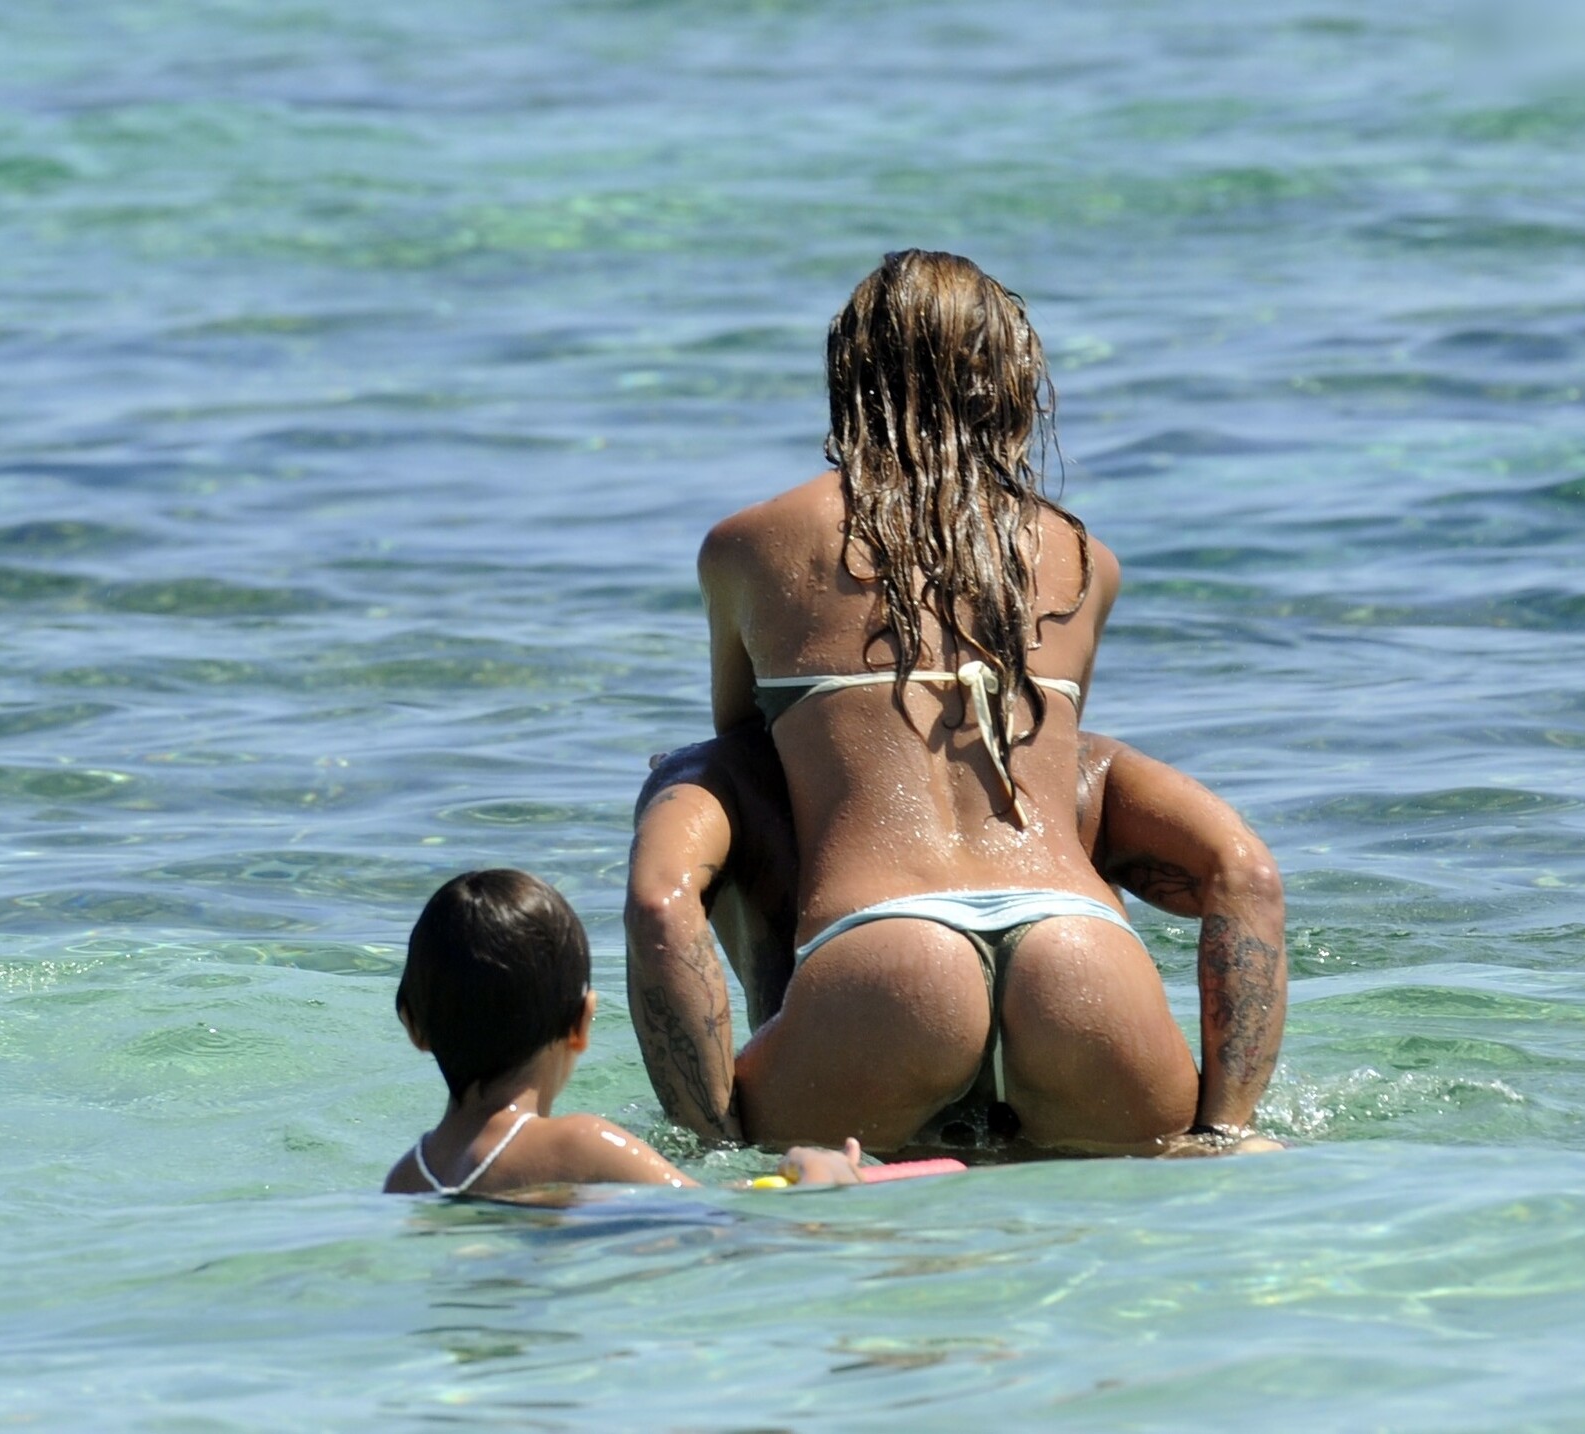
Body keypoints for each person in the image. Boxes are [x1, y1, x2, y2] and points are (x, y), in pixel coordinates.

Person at [684, 248, 1284, 1155]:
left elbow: (746, 761)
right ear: (1011, 384)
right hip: (1081, 959)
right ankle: (1233, 1136)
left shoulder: (747, 545)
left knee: (722, 796)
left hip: (878, 965)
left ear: (849, 377)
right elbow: (1244, 875)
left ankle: (787, 1021)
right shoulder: (1084, 560)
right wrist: (1222, 1119)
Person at [627, 728, 1286, 1156]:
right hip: (1084, 1003)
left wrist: (711, 1140)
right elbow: (1247, 876)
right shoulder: (1082, 760)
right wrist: (1225, 1124)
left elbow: (661, 908)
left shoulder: (719, 771)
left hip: (867, 1029)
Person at [384, 869, 862, 1197]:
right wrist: (819, 1177)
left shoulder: (405, 1180)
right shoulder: (578, 1145)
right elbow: (712, 1220)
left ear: (413, 1024)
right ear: (581, 1022)